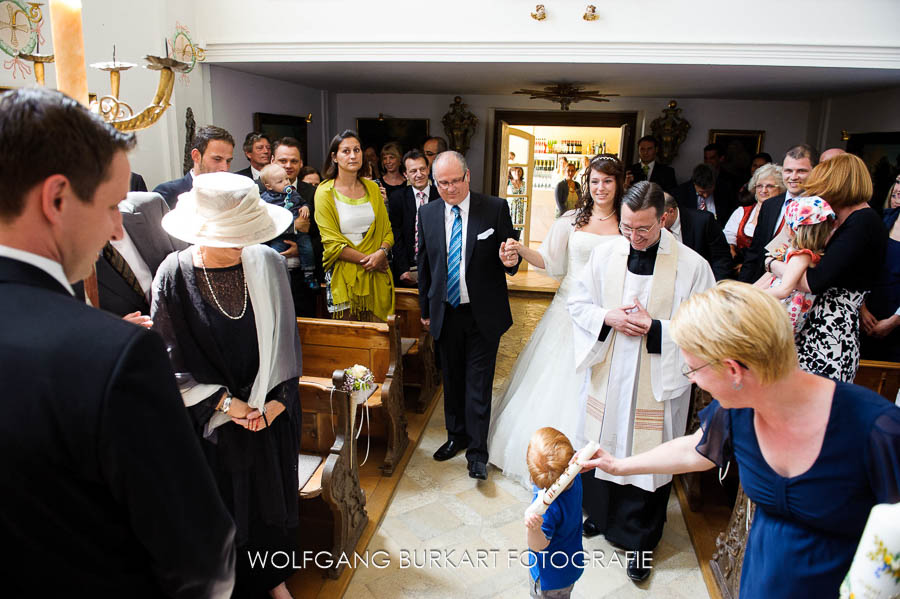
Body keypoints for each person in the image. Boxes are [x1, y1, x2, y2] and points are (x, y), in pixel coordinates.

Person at [0, 88, 235, 597]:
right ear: (56, 198)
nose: (114, 229)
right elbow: (202, 556)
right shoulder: (113, 356)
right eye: (110, 206)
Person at [581, 281, 900, 598]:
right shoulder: (738, 409)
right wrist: (618, 465)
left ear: (733, 370)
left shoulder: (877, 429)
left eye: (692, 367)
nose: (690, 377)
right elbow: (697, 447)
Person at [151, 172, 301, 599]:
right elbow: (169, 359)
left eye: (246, 233)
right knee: (219, 511)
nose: (241, 243)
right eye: (231, 235)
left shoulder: (268, 264)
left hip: (267, 413)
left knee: (268, 505)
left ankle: (274, 581)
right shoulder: (173, 275)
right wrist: (225, 404)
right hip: (209, 424)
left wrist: (276, 403)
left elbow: (288, 342)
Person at [567, 181, 715, 583]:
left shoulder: (692, 265)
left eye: (643, 230)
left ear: (663, 218)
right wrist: (607, 318)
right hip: (610, 367)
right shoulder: (604, 255)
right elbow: (578, 303)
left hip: (656, 375)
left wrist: (656, 328)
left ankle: (642, 542)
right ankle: (601, 516)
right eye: (627, 228)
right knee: (604, 438)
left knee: (650, 453)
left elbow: (706, 327)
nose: (633, 237)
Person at [488, 154, 623, 488]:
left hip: (609, 315)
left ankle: (595, 461)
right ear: (586, 184)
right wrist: (519, 249)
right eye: (594, 181)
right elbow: (550, 263)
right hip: (569, 313)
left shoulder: (627, 222)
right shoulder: (572, 220)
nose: (601, 187)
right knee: (558, 383)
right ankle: (549, 459)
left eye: (608, 181)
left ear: (620, 183)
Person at [418, 151, 520, 480]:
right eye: (441, 183)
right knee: (452, 379)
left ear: (468, 177)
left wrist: (510, 261)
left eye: (454, 181)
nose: (448, 189)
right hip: (445, 311)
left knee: (478, 383)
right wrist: (424, 310)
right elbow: (425, 267)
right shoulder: (428, 213)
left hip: (482, 312)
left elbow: (512, 255)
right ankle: (456, 436)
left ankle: (477, 451)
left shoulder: (494, 208)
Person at [769, 154, 887, 381]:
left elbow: (814, 281)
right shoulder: (847, 220)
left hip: (829, 332)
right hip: (817, 328)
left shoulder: (863, 222)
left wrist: (772, 264)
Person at [315, 129, 395, 321]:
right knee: (352, 343)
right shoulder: (325, 192)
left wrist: (382, 253)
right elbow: (332, 244)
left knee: (380, 342)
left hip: (377, 275)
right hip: (345, 278)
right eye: (346, 151)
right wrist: (372, 261)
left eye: (357, 150)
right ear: (334, 157)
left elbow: (388, 232)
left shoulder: (373, 189)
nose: (353, 155)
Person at [74, 191, 188, 319]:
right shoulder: (66, 259)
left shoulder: (151, 206)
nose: (117, 234)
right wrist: (117, 329)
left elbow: (190, 266)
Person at [739, 144, 818, 283]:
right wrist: (743, 288)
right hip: (761, 287)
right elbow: (755, 253)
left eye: (801, 171)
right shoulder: (770, 205)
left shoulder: (819, 209)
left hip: (799, 288)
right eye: (788, 171)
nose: (793, 177)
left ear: (815, 172)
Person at [757, 196, 836, 333]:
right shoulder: (809, 254)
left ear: (791, 228)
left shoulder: (801, 256)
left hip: (780, 314)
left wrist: (750, 297)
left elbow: (784, 289)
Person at [524, 428, 585, 599]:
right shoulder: (574, 477)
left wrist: (533, 528)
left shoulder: (548, 508)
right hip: (571, 564)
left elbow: (538, 545)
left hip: (550, 578)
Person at [260, 164, 318, 315]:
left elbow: (309, 224)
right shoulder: (264, 199)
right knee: (275, 254)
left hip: (300, 239)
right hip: (279, 238)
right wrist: (293, 226)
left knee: (307, 248)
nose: (286, 183)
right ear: (269, 185)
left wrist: (305, 208)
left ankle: (309, 274)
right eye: (280, 181)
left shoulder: (294, 193)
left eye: (287, 179)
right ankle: (275, 277)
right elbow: (265, 225)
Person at [861, 175, 900, 361]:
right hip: (866, 316)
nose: (898, 189)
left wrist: (895, 320)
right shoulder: (884, 219)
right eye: (898, 182)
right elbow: (860, 266)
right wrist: (861, 308)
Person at [388, 148, 439, 287]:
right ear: (405, 174)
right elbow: (396, 235)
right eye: (413, 171)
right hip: (408, 267)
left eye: (422, 169)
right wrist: (403, 269)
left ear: (428, 169)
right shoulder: (397, 198)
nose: (419, 174)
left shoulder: (441, 196)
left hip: (437, 268)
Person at [724, 163, 786, 273]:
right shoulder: (741, 212)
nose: (763, 190)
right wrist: (733, 257)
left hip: (767, 272)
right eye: (759, 186)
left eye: (770, 186)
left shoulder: (785, 217)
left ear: (781, 189)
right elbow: (727, 241)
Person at [154, 125, 234, 208]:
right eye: (217, 159)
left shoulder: (234, 194)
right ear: (196, 156)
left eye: (228, 161)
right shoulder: (168, 193)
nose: (225, 168)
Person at [661, 192, 733, 281]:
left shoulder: (703, 221)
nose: (655, 224)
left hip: (702, 283)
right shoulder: (653, 229)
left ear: (671, 212)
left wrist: (714, 289)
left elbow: (721, 260)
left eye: (660, 219)